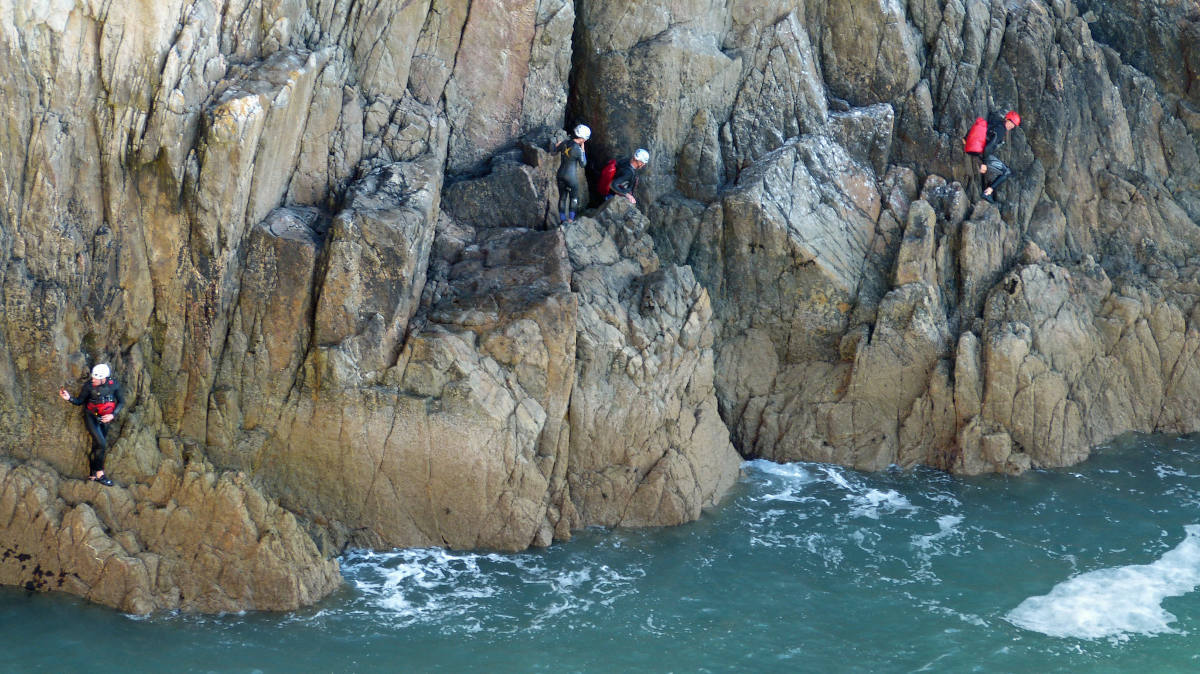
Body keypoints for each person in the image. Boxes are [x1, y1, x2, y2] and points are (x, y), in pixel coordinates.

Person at [59, 363, 124, 486]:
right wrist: (69, 398)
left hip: (105, 419)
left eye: (95, 378)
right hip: (91, 417)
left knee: (98, 446)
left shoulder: (113, 385)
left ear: (103, 378)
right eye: (93, 377)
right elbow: (79, 401)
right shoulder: (89, 387)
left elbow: (121, 402)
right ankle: (100, 474)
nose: (92, 380)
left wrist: (112, 415)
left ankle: (93, 474)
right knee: (102, 444)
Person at [964, 110, 1020, 203]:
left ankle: (986, 189)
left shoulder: (996, 122)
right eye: (1011, 122)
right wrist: (984, 163)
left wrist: (966, 139)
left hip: (977, 148)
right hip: (982, 153)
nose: (1011, 126)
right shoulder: (1001, 130)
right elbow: (989, 146)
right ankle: (987, 192)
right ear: (1006, 119)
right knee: (1006, 172)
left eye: (1013, 125)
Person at [554, 124, 590, 224]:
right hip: (571, 178)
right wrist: (583, 151)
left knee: (562, 198)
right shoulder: (578, 150)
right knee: (573, 198)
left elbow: (554, 150)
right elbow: (583, 164)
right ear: (582, 139)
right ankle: (570, 220)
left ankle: (562, 220)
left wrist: (556, 145)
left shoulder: (564, 143)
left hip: (560, 174)